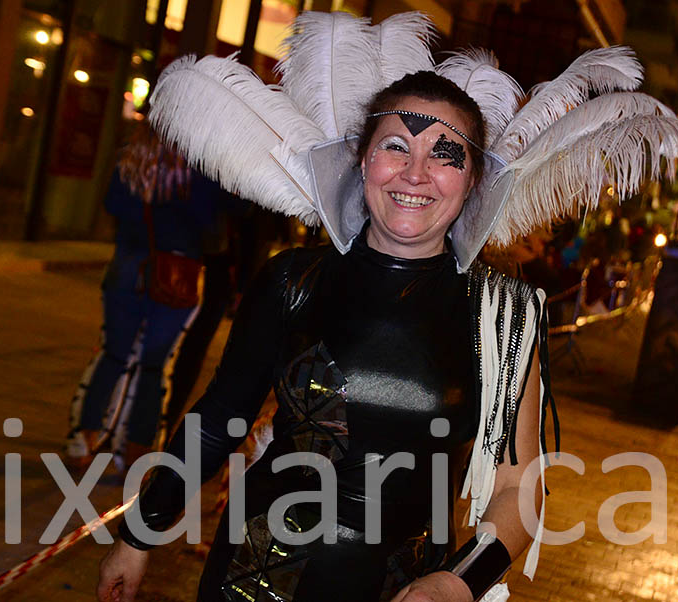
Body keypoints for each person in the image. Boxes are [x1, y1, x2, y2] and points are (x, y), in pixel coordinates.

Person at [97, 72, 549, 602]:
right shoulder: (292, 282)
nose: (416, 173)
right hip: (253, 579)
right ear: (362, 160)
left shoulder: (501, 318)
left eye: (445, 154)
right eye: (395, 147)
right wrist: (137, 535)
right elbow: (218, 419)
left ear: (474, 179)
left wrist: (455, 583)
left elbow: (520, 487)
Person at [67, 123, 225, 468]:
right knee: (154, 365)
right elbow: (211, 221)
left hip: (128, 263)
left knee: (114, 354)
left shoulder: (133, 156)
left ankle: (84, 440)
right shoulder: (201, 167)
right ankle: (136, 451)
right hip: (177, 269)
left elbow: (113, 204)